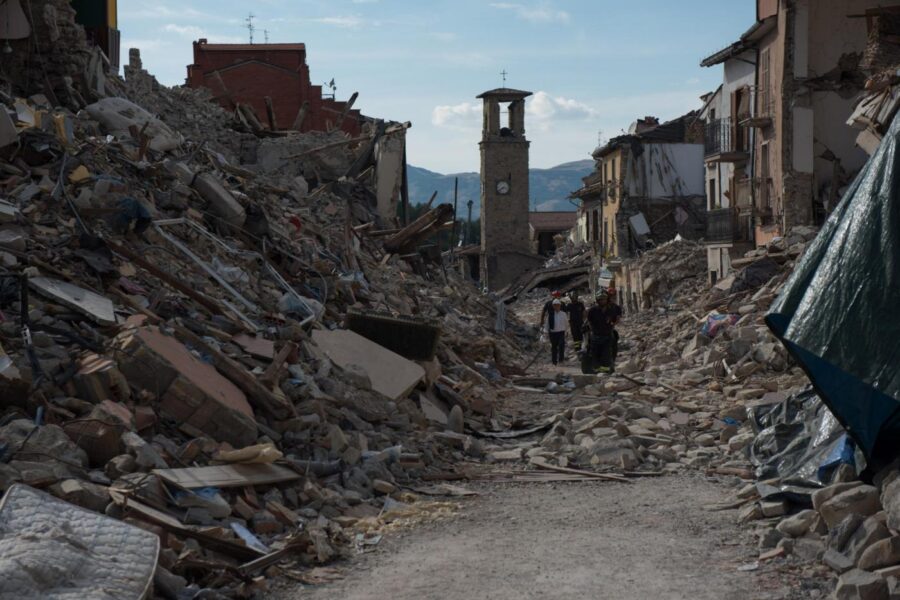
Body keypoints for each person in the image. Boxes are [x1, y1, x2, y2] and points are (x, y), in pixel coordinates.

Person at [584, 290, 623, 372]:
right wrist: (591, 330)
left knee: (607, 353)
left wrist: (611, 325)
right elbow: (588, 321)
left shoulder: (612, 309)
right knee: (594, 353)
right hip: (595, 335)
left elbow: (617, 319)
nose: (602, 301)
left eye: (604, 299)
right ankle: (597, 369)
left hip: (607, 335)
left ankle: (606, 370)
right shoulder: (593, 310)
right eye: (600, 299)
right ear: (598, 300)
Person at [546, 298, 567, 365]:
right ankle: (554, 361)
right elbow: (547, 324)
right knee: (554, 347)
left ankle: (561, 360)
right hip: (553, 333)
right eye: (555, 305)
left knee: (561, 345)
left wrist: (566, 331)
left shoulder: (563, 314)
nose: (556, 306)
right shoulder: (550, 314)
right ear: (553, 306)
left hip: (561, 332)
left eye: (558, 305)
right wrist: (546, 332)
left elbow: (566, 323)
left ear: (560, 306)